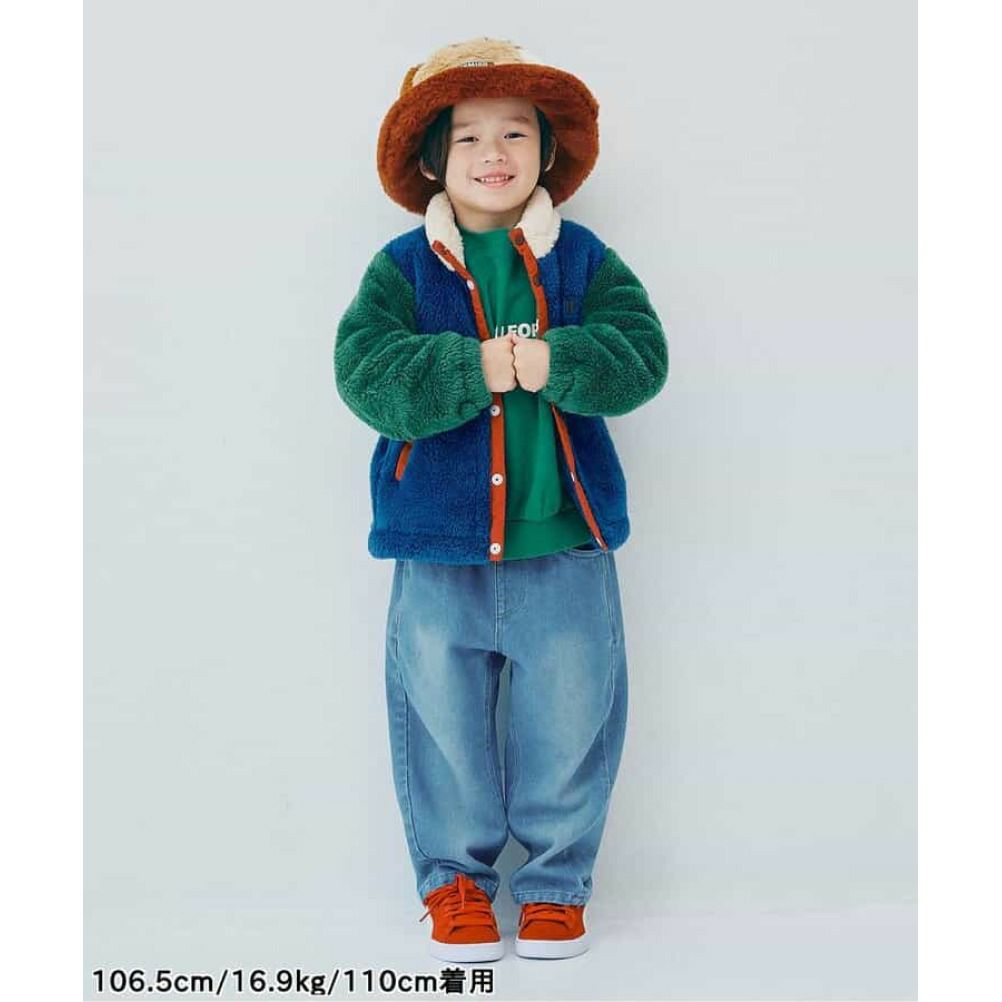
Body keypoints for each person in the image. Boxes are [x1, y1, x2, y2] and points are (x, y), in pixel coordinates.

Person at [334, 37, 668, 963]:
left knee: (572, 716)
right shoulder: (402, 268)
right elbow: (363, 372)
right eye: (469, 136)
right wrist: (470, 367)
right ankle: (455, 885)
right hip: (437, 544)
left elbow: (642, 356)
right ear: (432, 160)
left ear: (546, 152)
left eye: (516, 133)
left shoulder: (583, 259)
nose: (495, 153)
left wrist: (557, 361)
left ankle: (557, 887)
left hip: (565, 541)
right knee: (439, 721)